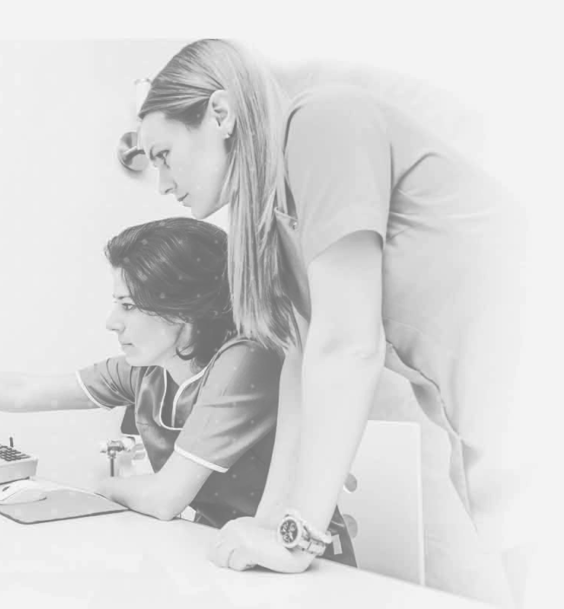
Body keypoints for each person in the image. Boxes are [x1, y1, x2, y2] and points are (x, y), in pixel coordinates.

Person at [136, 38, 531, 604]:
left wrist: (297, 538)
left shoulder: (324, 121)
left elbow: (349, 346)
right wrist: (272, 526)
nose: (162, 183)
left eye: (162, 155)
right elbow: (301, 369)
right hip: (488, 432)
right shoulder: (278, 227)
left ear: (219, 114)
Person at [0, 218, 356, 565]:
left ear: (185, 310)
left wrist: (104, 484)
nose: (111, 322)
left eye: (129, 306)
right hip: (216, 551)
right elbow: (19, 390)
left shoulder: (244, 359)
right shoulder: (146, 370)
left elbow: (166, 498)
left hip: (294, 560)